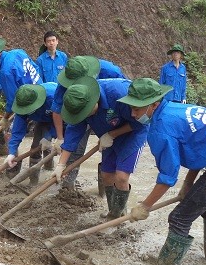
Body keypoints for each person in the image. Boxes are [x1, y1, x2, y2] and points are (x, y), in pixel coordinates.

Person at [118, 78, 206, 265]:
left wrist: (145, 206)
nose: (132, 113)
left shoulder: (162, 128)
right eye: (131, 107)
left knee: (179, 218)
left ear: (154, 104)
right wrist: (188, 183)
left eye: (137, 109)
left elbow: (167, 177)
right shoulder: (173, 109)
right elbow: (199, 148)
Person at [56, 76, 148, 218]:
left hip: (132, 133)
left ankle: (118, 217)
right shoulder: (77, 102)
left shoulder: (119, 94)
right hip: (107, 134)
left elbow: (141, 121)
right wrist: (61, 165)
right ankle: (115, 211)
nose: (85, 116)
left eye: (86, 112)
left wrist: (113, 134)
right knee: (106, 174)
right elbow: (73, 134)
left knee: (122, 176)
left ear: (94, 100)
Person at [52, 56, 128, 190]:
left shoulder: (110, 73)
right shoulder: (65, 83)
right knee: (76, 147)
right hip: (82, 112)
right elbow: (58, 109)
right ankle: (67, 187)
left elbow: (129, 105)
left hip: (111, 112)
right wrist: (60, 142)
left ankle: (105, 187)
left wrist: (112, 134)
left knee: (111, 157)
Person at [0, 37, 43, 167]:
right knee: (41, 132)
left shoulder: (5, 72)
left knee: (11, 135)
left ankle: (13, 167)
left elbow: (12, 101)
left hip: (28, 103)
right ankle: (47, 164)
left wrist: (6, 118)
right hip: (40, 91)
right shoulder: (18, 52)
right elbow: (35, 68)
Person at [4, 82, 58, 186]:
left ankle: (49, 165)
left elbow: (63, 122)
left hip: (57, 117)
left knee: (47, 143)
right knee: (36, 147)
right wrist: (11, 152)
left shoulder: (53, 98)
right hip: (41, 117)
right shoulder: (22, 103)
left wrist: (49, 136)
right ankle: (33, 182)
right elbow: (17, 131)